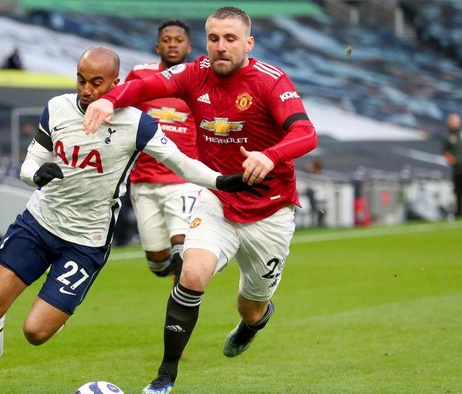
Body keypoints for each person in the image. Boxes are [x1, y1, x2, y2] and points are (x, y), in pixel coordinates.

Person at [0, 46, 267, 394]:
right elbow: (28, 166)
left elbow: (180, 162)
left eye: (97, 82)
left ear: (116, 83)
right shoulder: (57, 109)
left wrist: (220, 180)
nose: (86, 90)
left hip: (86, 239)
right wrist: (36, 175)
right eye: (81, 80)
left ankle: (62, 306)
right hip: (38, 222)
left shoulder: (136, 123)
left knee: (36, 333)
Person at [81, 7, 318, 394]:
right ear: (205, 42)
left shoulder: (270, 81)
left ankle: (253, 322)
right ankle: (165, 377)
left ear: (248, 43)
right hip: (218, 199)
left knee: (251, 306)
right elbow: (145, 87)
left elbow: (306, 133)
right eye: (213, 39)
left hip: (270, 211)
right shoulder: (195, 74)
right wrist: (111, 100)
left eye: (230, 39)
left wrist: (269, 155)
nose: (220, 47)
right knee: (192, 273)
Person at [126, 20, 199, 282]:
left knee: (182, 250)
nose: (172, 44)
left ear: (188, 47)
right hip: (144, 182)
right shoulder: (139, 75)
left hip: (183, 180)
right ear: (158, 46)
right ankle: (175, 276)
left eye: (178, 40)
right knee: (157, 264)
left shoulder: (200, 79)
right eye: (167, 39)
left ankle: (182, 305)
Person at [442, 112, 462, 217]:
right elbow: (445, 151)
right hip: (458, 169)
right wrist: (451, 160)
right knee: (458, 190)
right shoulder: (448, 136)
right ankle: (459, 212)